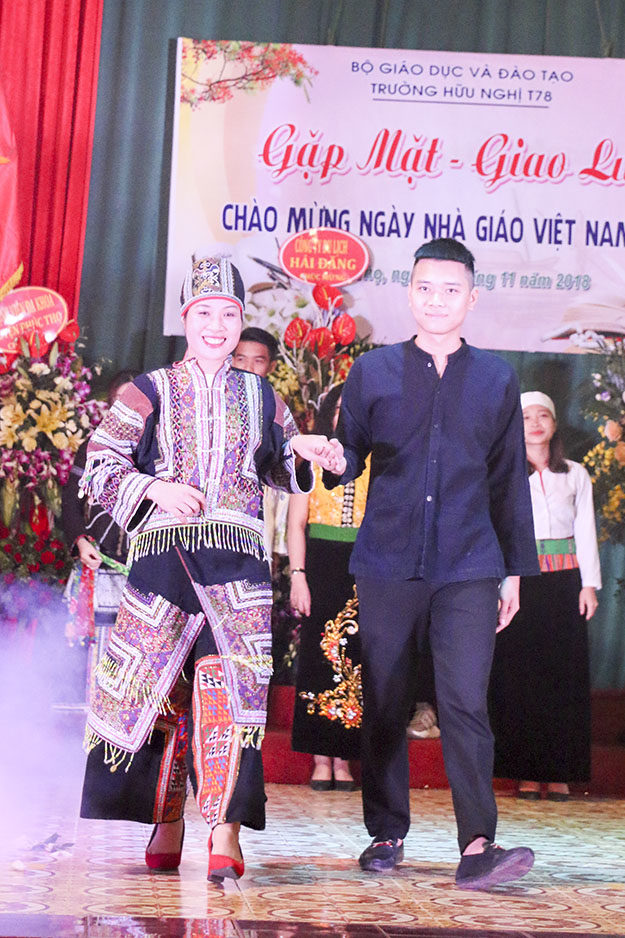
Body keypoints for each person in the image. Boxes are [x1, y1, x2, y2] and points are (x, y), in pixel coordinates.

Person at [78, 256, 344, 882]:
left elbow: (280, 469)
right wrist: (153, 488)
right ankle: (167, 815)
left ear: (241, 320)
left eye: (229, 314)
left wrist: (306, 451)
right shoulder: (150, 389)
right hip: (164, 560)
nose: (217, 325)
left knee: (231, 689)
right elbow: (100, 464)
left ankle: (225, 828)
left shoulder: (263, 395)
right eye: (205, 313)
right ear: (185, 318)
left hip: (237, 563)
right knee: (160, 691)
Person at [323, 237, 540, 891]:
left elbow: (508, 479)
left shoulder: (497, 378)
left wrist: (513, 571)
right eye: (425, 288)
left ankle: (477, 843)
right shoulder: (373, 372)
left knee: (464, 699)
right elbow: (348, 457)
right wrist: (332, 459)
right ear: (409, 293)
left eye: (451, 290)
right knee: (385, 697)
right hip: (387, 560)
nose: (437, 300)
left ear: (471, 298)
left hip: (470, 562)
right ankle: (386, 832)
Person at [490, 391, 601, 801]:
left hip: (564, 584)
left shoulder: (574, 474)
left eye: (543, 417)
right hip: (519, 582)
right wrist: (503, 582)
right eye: (526, 417)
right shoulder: (503, 473)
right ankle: (525, 772)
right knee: (521, 676)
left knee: (561, 677)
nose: (535, 424)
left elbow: (585, 530)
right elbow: (498, 529)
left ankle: (559, 772)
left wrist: (588, 584)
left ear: (554, 424)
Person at [288, 384, 367, 791]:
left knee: (358, 658)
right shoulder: (312, 459)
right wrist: (298, 575)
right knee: (320, 656)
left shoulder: (378, 460)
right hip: (320, 563)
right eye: (339, 409)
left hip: (366, 565)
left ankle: (345, 759)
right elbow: (296, 524)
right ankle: (321, 758)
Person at [62, 371, 136, 697]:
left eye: (134, 401)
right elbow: (70, 500)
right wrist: (80, 540)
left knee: (135, 658)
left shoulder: (158, 453)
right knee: (92, 659)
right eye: (120, 401)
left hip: (141, 572)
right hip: (99, 567)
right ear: (109, 405)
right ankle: (91, 720)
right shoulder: (93, 447)